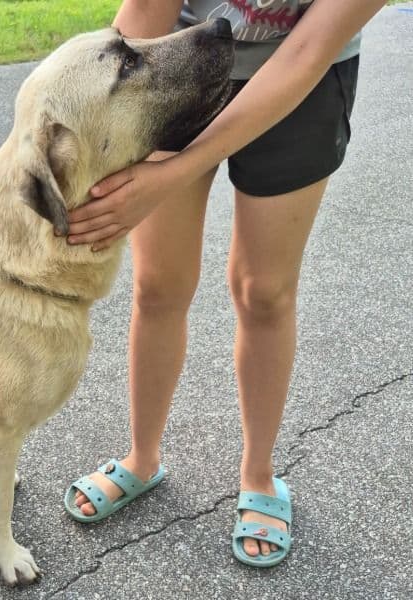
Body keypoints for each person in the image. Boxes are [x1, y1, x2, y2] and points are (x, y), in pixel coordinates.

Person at [63, 0, 385, 567]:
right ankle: (142, 457)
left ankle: (259, 474)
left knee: (265, 291)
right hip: (177, 58)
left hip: (302, 72)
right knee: (158, 285)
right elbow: (145, 9)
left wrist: (172, 172)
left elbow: (309, 50)